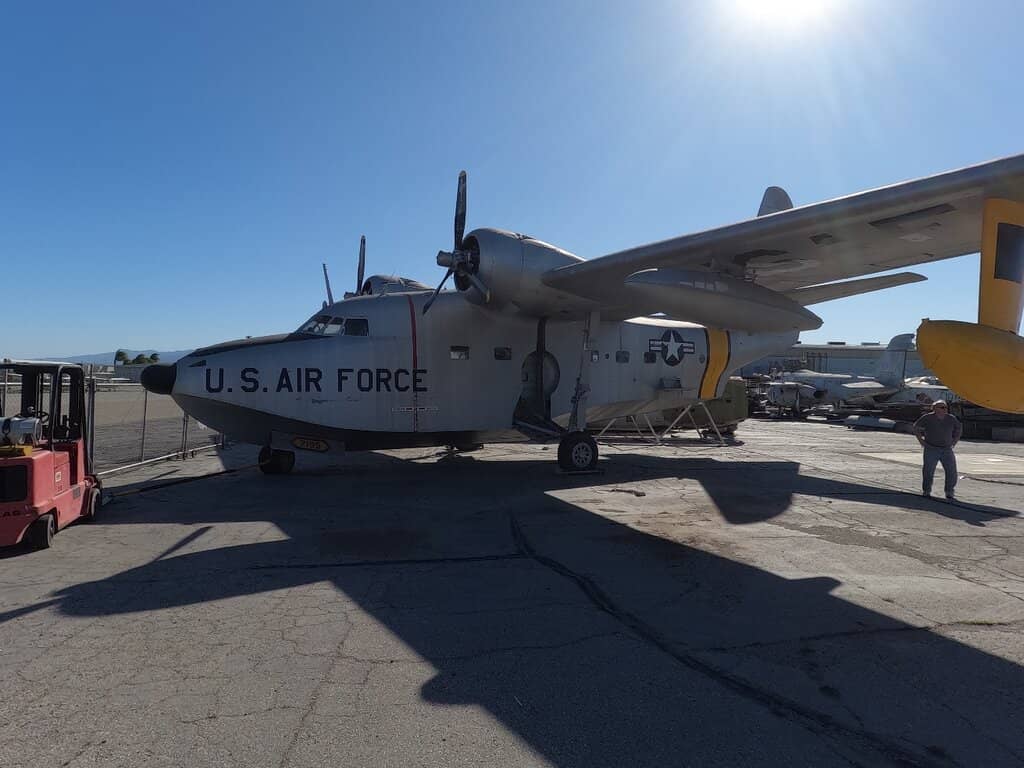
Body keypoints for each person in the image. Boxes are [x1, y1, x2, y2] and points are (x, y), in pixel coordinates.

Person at [913, 401, 962, 499]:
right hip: (931, 448)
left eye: (945, 407)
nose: (945, 409)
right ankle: (926, 490)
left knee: (951, 471)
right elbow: (916, 427)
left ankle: (949, 491)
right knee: (928, 471)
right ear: (934, 408)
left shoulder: (951, 418)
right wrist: (921, 441)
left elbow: (959, 428)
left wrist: (955, 441)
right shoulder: (927, 418)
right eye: (942, 407)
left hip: (947, 449)